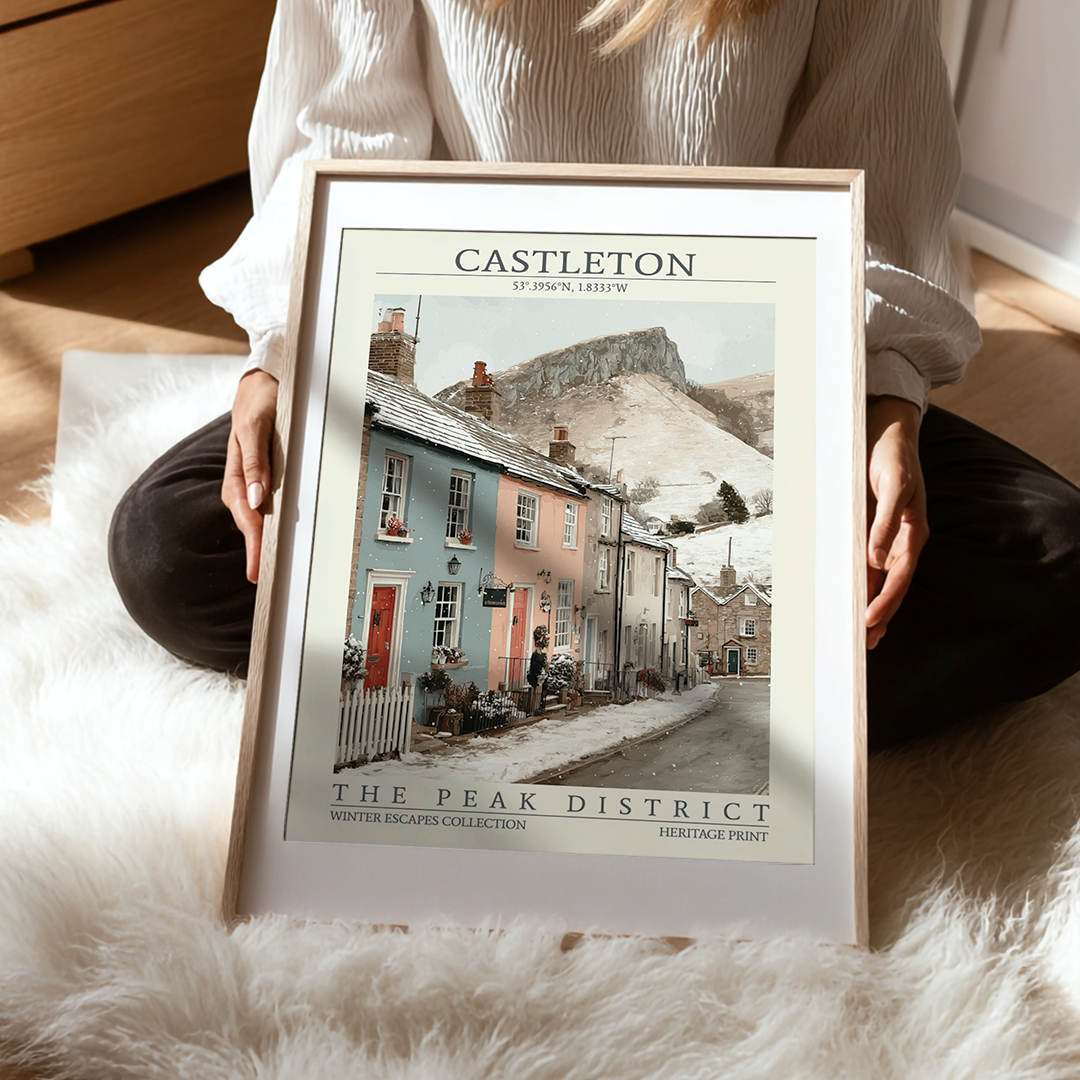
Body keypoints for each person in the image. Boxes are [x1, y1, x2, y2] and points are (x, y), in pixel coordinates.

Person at [109, 0, 1080, 749]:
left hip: (772, 357)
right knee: (176, 546)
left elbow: (876, 168)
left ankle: (620, 686)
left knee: (1055, 559)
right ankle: (716, 693)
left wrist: (879, 402)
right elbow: (338, 142)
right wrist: (284, 354)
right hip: (454, 357)